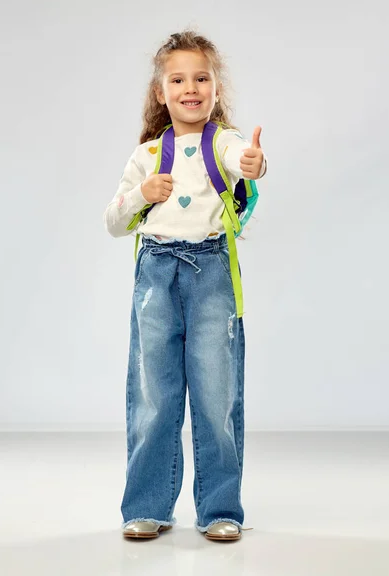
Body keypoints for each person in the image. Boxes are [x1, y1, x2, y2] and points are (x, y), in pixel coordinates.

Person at [103, 30, 267, 542]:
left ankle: (221, 509)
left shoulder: (224, 141)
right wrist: (140, 195)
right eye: (178, 79)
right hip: (155, 273)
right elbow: (112, 221)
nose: (190, 87)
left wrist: (254, 164)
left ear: (217, 89)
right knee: (153, 394)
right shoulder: (147, 154)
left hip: (211, 273)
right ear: (161, 91)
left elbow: (245, 159)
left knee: (217, 395)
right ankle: (148, 506)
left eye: (202, 78)